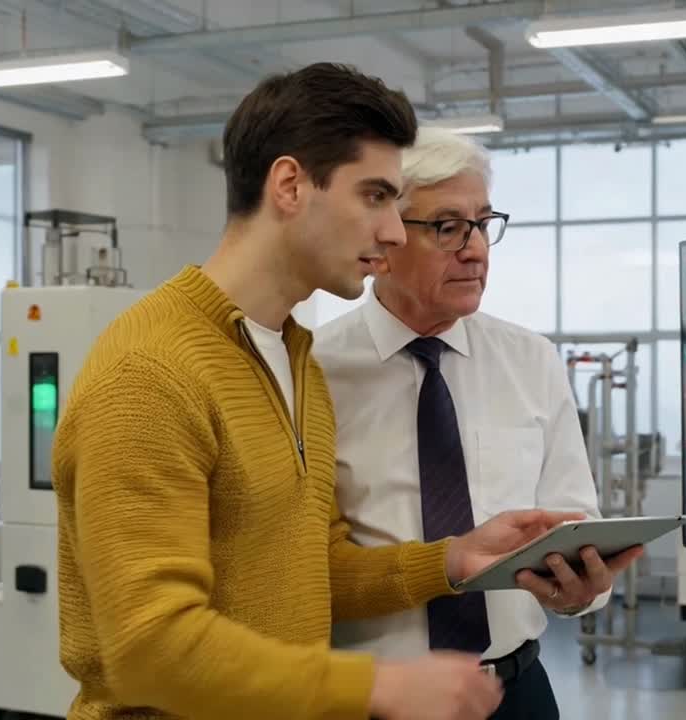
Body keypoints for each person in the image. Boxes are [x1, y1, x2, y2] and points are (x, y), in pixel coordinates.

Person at [52, 64, 582, 720]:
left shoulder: (294, 360)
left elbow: (313, 567)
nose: (393, 232)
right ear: (290, 185)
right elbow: (149, 649)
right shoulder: (149, 372)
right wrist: (375, 686)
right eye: (375, 197)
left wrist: (451, 558)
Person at [314, 126, 645, 720]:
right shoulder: (314, 372)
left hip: (514, 691)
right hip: (376, 698)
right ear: (383, 238)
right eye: (448, 227)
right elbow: (303, 563)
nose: (476, 251)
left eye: (484, 224)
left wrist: (581, 591)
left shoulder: (530, 360)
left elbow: (576, 519)